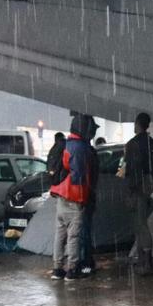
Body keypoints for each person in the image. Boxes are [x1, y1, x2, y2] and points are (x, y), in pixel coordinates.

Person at [50, 114, 95, 281]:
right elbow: (79, 177)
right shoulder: (80, 147)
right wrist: (84, 198)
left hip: (61, 195)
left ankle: (57, 269)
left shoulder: (65, 143)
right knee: (73, 236)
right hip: (74, 197)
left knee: (60, 234)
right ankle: (72, 269)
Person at [124, 112, 153, 275]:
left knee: (140, 223)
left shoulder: (133, 144)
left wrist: (131, 189)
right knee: (141, 221)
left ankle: (145, 262)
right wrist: (150, 185)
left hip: (137, 186)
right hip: (148, 183)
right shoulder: (152, 143)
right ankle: (143, 260)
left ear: (137, 124)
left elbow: (131, 169)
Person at [76, 116, 100, 277]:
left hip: (82, 197)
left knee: (82, 231)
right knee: (85, 230)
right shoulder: (90, 151)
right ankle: (87, 263)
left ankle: (84, 264)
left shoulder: (83, 151)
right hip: (88, 196)